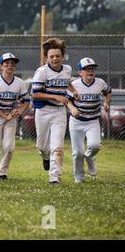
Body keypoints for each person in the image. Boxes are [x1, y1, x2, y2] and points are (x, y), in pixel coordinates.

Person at [32, 38, 79, 184]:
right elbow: (35, 94)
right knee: (42, 146)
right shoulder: (42, 72)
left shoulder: (67, 69)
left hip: (59, 112)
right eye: (51, 56)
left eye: (57, 56)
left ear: (62, 56)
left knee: (57, 146)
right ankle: (45, 157)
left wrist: (74, 90)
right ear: (46, 57)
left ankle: (55, 178)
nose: (55, 59)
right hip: (43, 110)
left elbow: (66, 82)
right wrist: (56, 96)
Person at [67, 57, 111, 183]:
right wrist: (72, 108)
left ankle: (89, 156)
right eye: (86, 69)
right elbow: (67, 100)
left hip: (93, 121)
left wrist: (107, 103)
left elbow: (108, 92)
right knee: (77, 152)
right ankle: (79, 178)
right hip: (76, 121)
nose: (90, 72)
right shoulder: (74, 85)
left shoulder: (100, 83)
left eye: (92, 69)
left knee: (95, 145)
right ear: (80, 72)